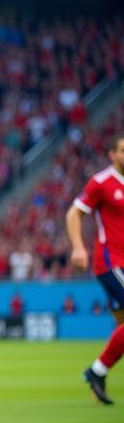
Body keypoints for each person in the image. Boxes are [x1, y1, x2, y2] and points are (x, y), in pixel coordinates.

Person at [66, 131, 124, 405]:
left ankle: (98, 378)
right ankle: (96, 370)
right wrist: (78, 247)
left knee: (122, 326)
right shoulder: (102, 182)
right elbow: (74, 212)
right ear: (112, 154)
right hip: (111, 261)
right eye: (122, 150)